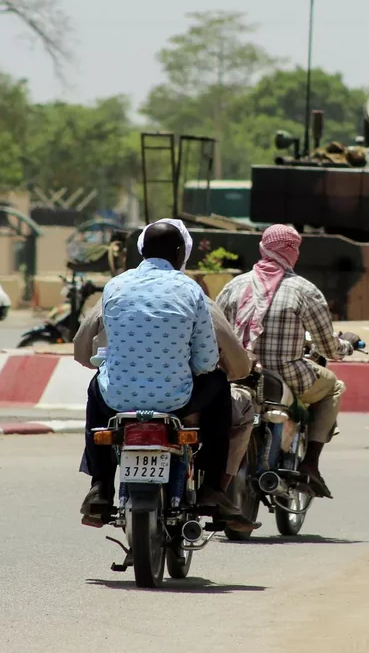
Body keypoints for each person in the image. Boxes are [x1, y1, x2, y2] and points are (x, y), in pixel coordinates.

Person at [79, 219, 255, 532]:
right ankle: (213, 488)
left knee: (96, 387)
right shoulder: (191, 290)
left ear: (142, 250)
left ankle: (100, 487)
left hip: (117, 399)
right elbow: (205, 360)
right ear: (179, 253)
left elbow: (94, 346)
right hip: (176, 400)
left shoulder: (115, 286)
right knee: (217, 384)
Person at [216, 224, 361, 499]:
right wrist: (348, 345)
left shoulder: (234, 286)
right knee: (333, 387)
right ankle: (311, 463)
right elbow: (328, 347)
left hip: (238, 374)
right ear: (293, 252)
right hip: (287, 376)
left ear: (263, 247)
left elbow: (216, 329)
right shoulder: (304, 290)